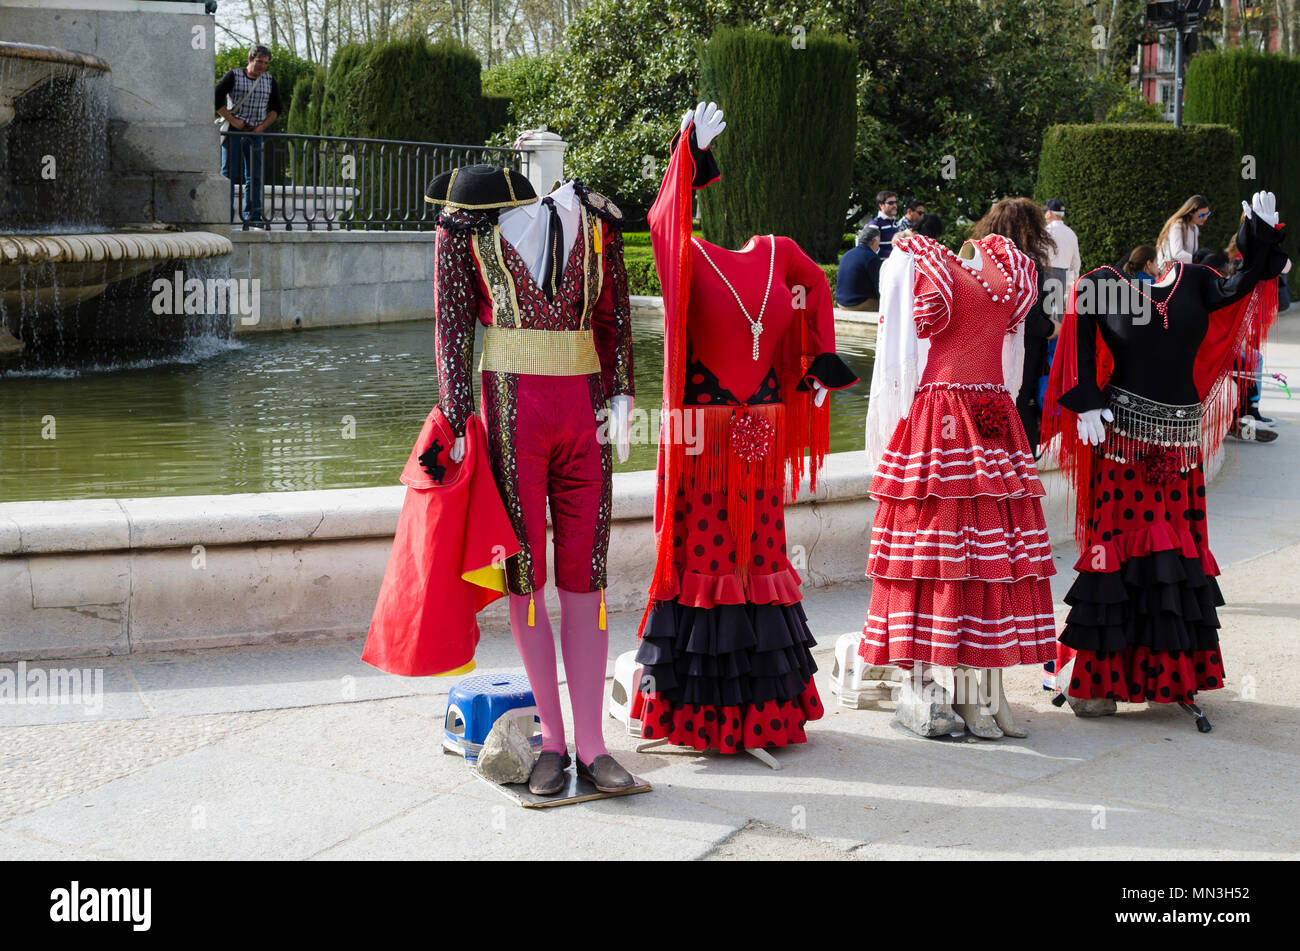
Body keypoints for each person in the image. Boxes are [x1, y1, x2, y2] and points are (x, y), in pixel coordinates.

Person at [632, 102, 858, 755]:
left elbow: (817, 287)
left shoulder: (778, 254)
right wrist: (689, 154)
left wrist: (818, 359)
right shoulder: (692, 258)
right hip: (714, 439)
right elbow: (665, 219)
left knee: (748, 557)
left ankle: (742, 717)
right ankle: (722, 718)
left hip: (747, 436)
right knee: (715, 557)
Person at [426, 164, 637, 795]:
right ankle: (553, 740)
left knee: (587, 576)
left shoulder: (599, 222)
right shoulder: (465, 222)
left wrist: (624, 393)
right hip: (511, 414)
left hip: (586, 412)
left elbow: (614, 316)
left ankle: (595, 745)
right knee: (525, 575)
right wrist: (456, 413)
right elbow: (451, 326)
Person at [1041, 191, 1287, 732]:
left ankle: (1166, 676)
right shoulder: (1102, 287)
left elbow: (1245, 285)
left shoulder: (1198, 282)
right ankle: (1099, 683)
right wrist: (1084, 400)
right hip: (1124, 442)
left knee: (1174, 557)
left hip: (1179, 449)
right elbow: (1077, 343)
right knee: (1118, 555)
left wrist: (1258, 234)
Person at [857, 229, 1056, 739]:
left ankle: (990, 687)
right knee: (947, 549)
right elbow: (899, 351)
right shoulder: (920, 261)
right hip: (943, 412)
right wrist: (889, 420)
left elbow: (1015, 351)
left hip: (993, 412)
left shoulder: (1009, 263)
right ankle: (959, 683)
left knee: (997, 557)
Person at [968, 197, 1058, 448]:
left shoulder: (976, 262)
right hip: (1023, 357)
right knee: (1019, 416)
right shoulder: (1027, 266)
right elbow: (1031, 318)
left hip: (983, 351)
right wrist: (1054, 329)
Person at [215, 46, 283, 224]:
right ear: (250, 59)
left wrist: (262, 126)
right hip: (233, 130)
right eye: (259, 61)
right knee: (228, 173)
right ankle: (224, 214)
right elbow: (214, 99)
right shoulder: (233, 75)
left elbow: (277, 109)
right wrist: (233, 120)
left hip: (255, 132)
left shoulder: (269, 80)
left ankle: (253, 214)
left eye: (266, 63)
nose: (262, 66)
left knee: (255, 175)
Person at [1044, 198, 1081, 311]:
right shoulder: (1071, 233)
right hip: (1064, 274)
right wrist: (1072, 282)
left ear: (1049, 213)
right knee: (1058, 312)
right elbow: (1075, 262)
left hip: (1047, 272)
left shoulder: (1046, 231)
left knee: (1045, 311)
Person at [1156, 194, 1210, 270]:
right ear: (1191, 212)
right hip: (1166, 272)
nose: (1205, 218)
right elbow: (1177, 253)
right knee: (1141, 282)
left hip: (1181, 271)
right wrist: (1199, 261)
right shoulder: (1178, 226)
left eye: (1207, 214)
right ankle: (1135, 282)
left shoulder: (1195, 228)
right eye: (1201, 215)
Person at [835, 225, 883, 310]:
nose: (878, 246)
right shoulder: (872, 258)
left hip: (840, 302)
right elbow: (879, 285)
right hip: (857, 303)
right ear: (875, 242)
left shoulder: (846, 254)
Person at [869, 190, 900, 258]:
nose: (895, 205)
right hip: (881, 266)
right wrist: (894, 255)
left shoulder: (896, 223)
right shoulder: (875, 224)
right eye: (891, 203)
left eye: (895, 202)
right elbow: (870, 248)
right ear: (881, 205)